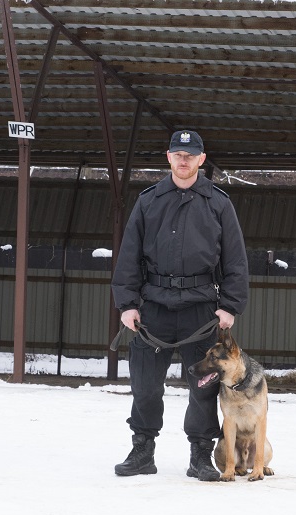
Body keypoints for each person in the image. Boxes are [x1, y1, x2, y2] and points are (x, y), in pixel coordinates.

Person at [111, 130, 248, 480]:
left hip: (200, 310)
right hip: (153, 308)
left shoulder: (219, 203)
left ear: (201, 160)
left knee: (202, 388)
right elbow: (128, 256)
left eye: (190, 155)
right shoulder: (148, 200)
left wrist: (229, 306)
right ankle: (142, 449)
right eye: (177, 154)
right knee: (144, 385)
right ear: (168, 157)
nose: (183, 160)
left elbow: (235, 260)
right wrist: (127, 304)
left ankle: (201, 455)